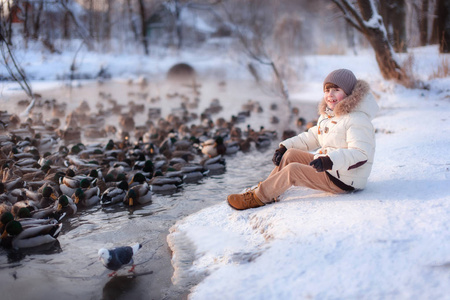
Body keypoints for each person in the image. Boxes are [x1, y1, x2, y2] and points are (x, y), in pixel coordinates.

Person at [227, 69, 379, 210]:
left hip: (345, 179)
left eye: (336, 90)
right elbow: (312, 136)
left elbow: (360, 154)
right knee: (291, 155)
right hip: (333, 169)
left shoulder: (358, 119)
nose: (330, 95)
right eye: (327, 90)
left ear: (349, 93)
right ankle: (269, 189)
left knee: (293, 171)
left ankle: (259, 197)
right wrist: (285, 147)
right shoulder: (330, 114)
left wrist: (329, 160)